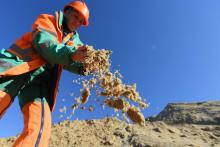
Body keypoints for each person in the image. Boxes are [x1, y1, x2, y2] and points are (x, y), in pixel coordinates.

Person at [0, 1, 90, 146]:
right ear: (66, 11)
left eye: (81, 21)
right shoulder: (48, 20)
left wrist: (86, 66)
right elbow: (45, 44)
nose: (77, 22)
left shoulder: (74, 41)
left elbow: (75, 60)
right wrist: (72, 54)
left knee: (39, 128)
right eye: (75, 16)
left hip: (39, 84)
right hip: (15, 67)